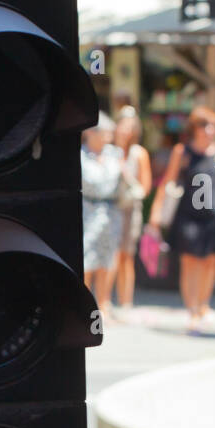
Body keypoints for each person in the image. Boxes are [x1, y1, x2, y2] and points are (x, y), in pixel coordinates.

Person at [147, 105, 215, 332]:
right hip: (188, 214)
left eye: (213, 126)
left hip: (213, 215)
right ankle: (192, 309)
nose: (209, 131)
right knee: (190, 262)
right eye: (205, 126)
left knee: (210, 261)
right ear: (195, 129)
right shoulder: (182, 151)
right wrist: (156, 213)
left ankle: (204, 305)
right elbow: (168, 182)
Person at [80, 113, 124, 318]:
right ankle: (85, 305)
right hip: (88, 210)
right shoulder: (78, 155)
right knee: (86, 258)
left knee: (108, 258)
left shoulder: (116, 154)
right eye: (103, 132)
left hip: (111, 211)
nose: (107, 137)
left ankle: (104, 303)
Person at [111, 110, 151, 319]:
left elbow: (145, 186)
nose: (126, 130)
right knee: (110, 256)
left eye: (130, 126)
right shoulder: (108, 151)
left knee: (126, 256)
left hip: (130, 208)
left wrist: (127, 180)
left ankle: (126, 303)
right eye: (123, 125)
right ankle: (105, 302)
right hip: (108, 207)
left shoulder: (139, 153)